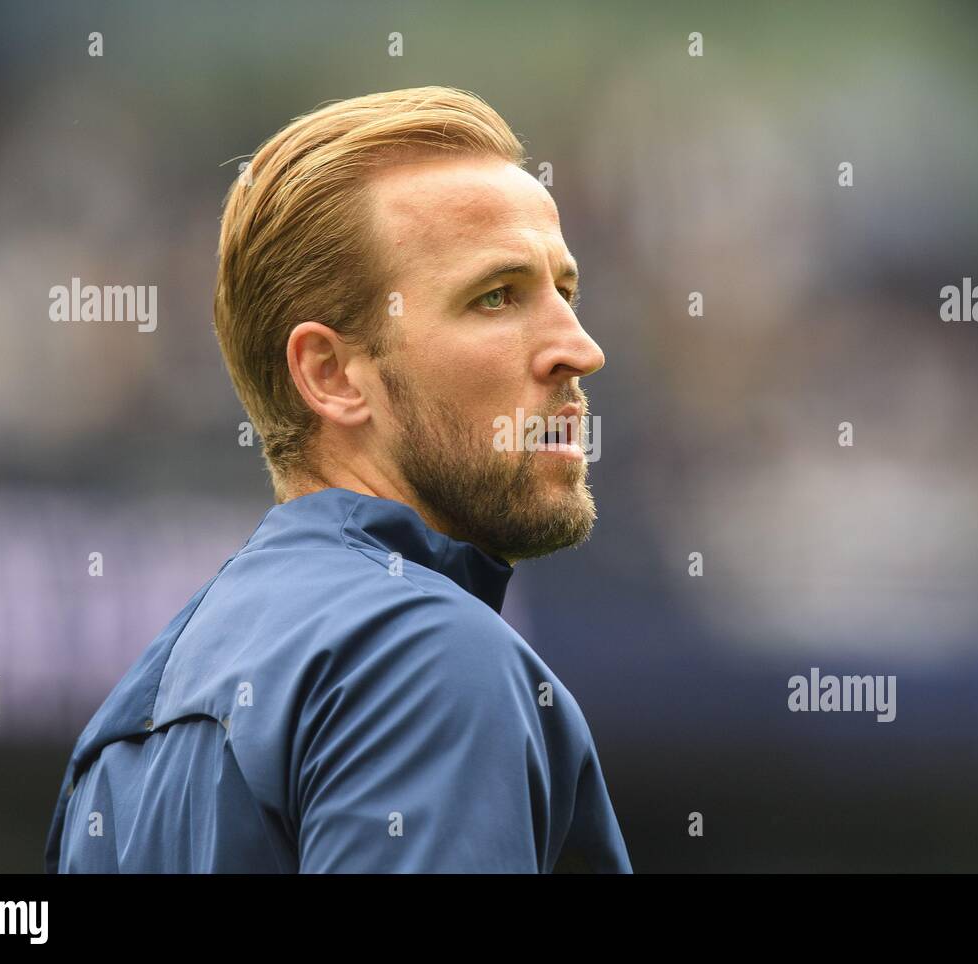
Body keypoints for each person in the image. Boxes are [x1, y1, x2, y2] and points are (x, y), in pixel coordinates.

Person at [44, 86, 632, 873]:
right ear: (332, 375)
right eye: (497, 297)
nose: (580, 348)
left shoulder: (119, 735)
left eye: (565, 292)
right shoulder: (425, 660)